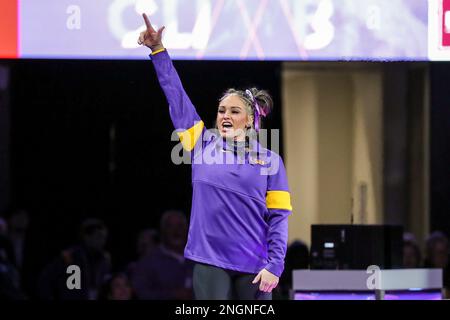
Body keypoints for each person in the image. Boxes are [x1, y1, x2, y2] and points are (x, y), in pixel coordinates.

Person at [137, 13, 293, 300]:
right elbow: (176, 96)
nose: (225, 116)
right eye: (222, 110)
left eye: (234, 111)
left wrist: (276, 264)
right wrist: (158, 52)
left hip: (256, 267)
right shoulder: (200, 143)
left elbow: (279, 218)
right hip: (210, 262)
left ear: (249, 120)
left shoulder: (271, 161)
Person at [37, 218, 111, 300]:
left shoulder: (105, 259)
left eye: (104, 238)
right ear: (87, 237)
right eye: (98, 237)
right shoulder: (70, 256)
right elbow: (45, 279)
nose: (102, 241)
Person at [130, 210, 194, 300]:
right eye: (170, 226)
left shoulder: (198, 258)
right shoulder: (148, 262)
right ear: (162, 231)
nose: (176, 231)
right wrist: (172, 295)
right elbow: (140, 293)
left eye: (180, 226)